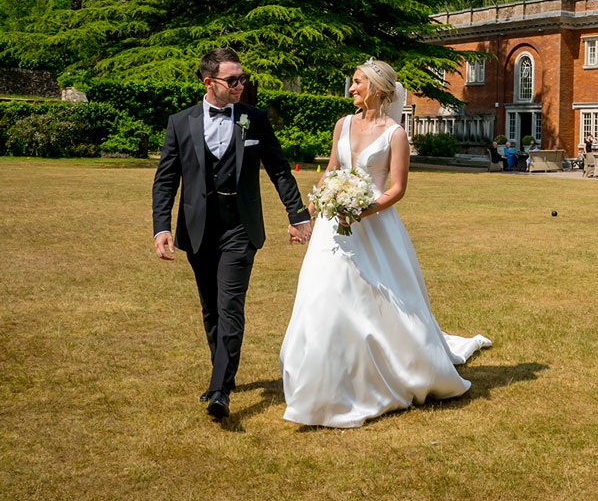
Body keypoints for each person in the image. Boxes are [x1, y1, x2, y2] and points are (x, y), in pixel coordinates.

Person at [279, 59, 490, 428]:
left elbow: (396, 189)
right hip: (333, 225)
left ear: (376, 87)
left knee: (381, 301)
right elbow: (331, 169)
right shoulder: (342, 124)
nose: (351, 89)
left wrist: (361, 210)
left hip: (374, 226)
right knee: (322, 294)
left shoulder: (395, 135)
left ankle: (385, 372)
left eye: (357, 83)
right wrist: (311, 206)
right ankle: (319, 379)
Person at [151, 48, 312, 420]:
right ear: (210, 83)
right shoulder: (180, 122)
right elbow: (165, 180)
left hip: (240, 228)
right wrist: (162, 226)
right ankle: (220, 373)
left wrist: (298, 214)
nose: (241, 85)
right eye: (233, 80)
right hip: (198, 229)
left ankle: (220, 389)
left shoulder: (254, 119)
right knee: (210, 308)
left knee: (230, 306)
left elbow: (279, 168)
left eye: (243, 79)